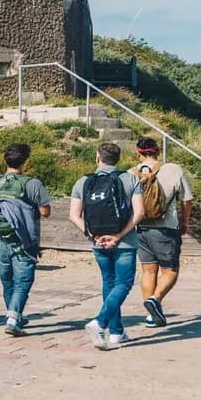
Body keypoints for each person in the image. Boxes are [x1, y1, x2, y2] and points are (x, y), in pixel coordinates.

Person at [69, 143, 144, 350]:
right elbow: (139, 213)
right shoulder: (130, 178)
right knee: (124, 283)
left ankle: (117, 332)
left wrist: (93, 235)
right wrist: (119, 235)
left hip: (98, 241)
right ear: (118, 158)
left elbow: (74, 216)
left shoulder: (83, 181)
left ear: (97, 157)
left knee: (109, 282)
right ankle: (100, 322)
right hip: (125, 241)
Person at [0, 143, 52, 337]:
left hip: (0, 239)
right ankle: (13, 320)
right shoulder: (32, 184)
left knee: (7, 280)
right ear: (25, 161)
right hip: (24, 240)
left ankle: (15, 315)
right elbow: (45, 212)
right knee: (23, 281)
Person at [131, 137, 193, 328]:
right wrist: (185, 221)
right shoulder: (174, 169)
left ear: (137, 152)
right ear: (158, 151)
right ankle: (155, 300)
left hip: (140, 228)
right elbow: (186, 199)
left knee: (148, 270)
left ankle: (151, 316)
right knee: (171, 270)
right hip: (166, 228)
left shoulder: (131, 173)